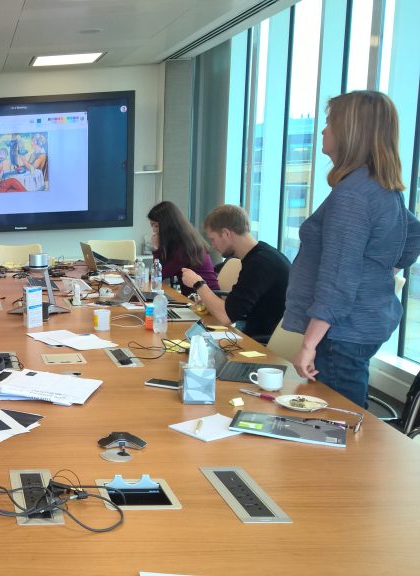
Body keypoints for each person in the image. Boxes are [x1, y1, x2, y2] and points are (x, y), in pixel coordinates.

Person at [284, 91, 420, 407]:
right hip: (362, 322)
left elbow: (337, 279)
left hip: (341, 331)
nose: (323, 130)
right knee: (342, 414)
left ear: (350, 132)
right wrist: (379, 273)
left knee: (337, 419)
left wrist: (308, 344)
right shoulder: (379, 185)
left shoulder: (353, 195)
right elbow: (413, 233)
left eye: (330, 122)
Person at [180, 205, 290, 343]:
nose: (213, 246)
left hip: (261, 343)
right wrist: (210, 301)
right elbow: (238, 305)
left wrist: (198, 284)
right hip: (251, 330)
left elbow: (225, 316)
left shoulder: (260, 264)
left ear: (226, 233)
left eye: (213, 239)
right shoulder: (260, 255)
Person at [148, 200, 219, 295]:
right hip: (193, 296)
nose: (153, 230)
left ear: (168, 225)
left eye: (156, 225)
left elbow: (159, 276)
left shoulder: (185, 247)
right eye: (152, 225)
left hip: (205, 298)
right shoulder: (182, 240)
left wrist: (156, 248)